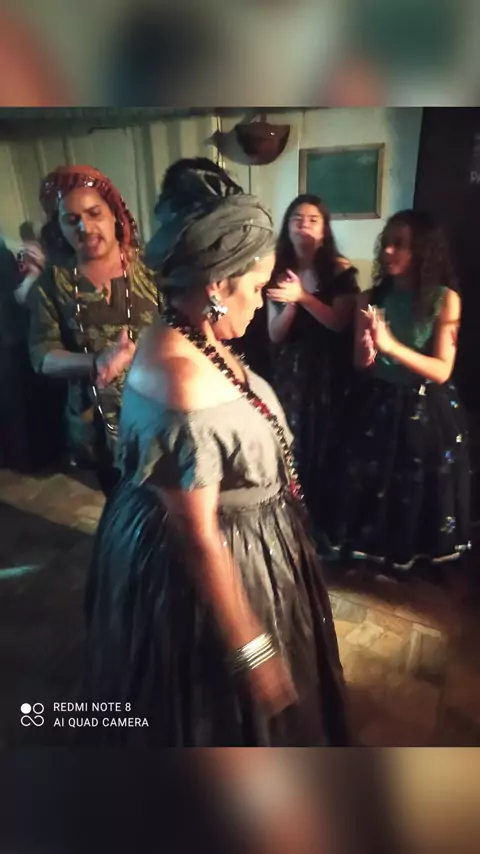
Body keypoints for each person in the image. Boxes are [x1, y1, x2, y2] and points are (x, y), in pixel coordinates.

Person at [83, 158, 349, 746]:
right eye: (255, 286)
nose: (260, 300)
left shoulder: (194, 332)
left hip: (249, 538)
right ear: (216, 285)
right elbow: (197, 533)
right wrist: (251, 651)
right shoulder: (179, 379)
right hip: (213, 561)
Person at [319, 210, 471, 577]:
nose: (388, 251)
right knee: (369, 479)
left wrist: (391, 347)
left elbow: (441, 370)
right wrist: (370, 352)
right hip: (378, 400)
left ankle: (416, 558)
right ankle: (369, 554)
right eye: (385, 243)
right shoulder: (370, 298)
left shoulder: (445, 299)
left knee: (418, 481)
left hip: (426, 405)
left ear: (423, 250)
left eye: (399, 244)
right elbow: (361, 363)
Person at [27, 165, 159, 495]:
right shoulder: (53, 284)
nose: (85, 227)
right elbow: (42, 356)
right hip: (97, 428)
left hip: (158, 418)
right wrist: (96, 361)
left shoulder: (153, 269)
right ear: (60, 227)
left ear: (114, 214)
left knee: (164, 507)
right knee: (118, 504)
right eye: (71, 220)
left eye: (94, 213)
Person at [266, 194, 359, 545]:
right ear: (287, 227)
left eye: (312, 219)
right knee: (291, 442)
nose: (303, 225)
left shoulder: (339, 269)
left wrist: (302, 297)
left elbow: (337, 322)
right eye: (297, 219)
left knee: (326, 443)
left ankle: (325, 527)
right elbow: (275, 333)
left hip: (330, 370)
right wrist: (290, 303)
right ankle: (292, 521)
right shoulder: (278, 270)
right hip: (292, 370)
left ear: (324, 229)